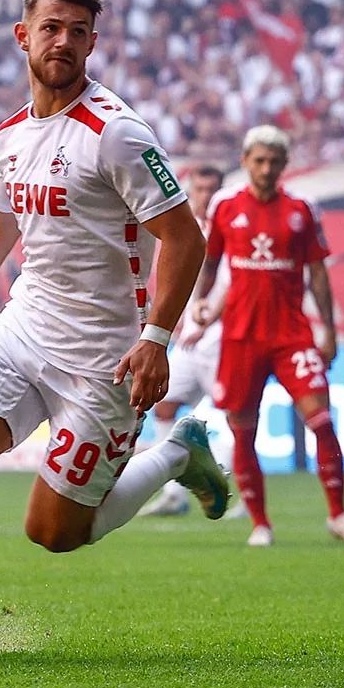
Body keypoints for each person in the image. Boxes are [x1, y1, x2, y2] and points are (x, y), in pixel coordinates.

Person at [0, 0, 230, 658]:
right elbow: (0, 218)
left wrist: (156, 341)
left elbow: (185, 237)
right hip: (25, 329)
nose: (63, 41)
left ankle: (177, 454)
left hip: (105, 356)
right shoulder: (11, 135)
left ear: (93, 44)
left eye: (78, 31)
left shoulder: (117, 134)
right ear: (23, 36)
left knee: (56, 532)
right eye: (51, 27)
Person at [184, 125, 344, 547]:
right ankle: (260, 524)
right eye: (259, 160)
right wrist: (200, 300)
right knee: (243, 430)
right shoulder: (226, 207)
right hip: (242, 336)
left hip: (292, 335)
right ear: (246, 161)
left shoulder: (303, 209)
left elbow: (318, 272)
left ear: (285, 165)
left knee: (321, 421)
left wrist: (329, 330)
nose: (266, 169)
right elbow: (210, 261)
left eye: (274, 162)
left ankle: (338, 515)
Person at [140, 163, 231, 518]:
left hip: (220, 337)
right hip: (189, 339)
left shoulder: (228, 230)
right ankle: (173, 494)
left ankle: (233, 485)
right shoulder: (182, 228)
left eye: (213, 189)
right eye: (200, 189)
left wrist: (209, 322)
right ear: (190, 190)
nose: (206, 196)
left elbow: (233, 281)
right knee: (164, 405)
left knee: (237, 413)